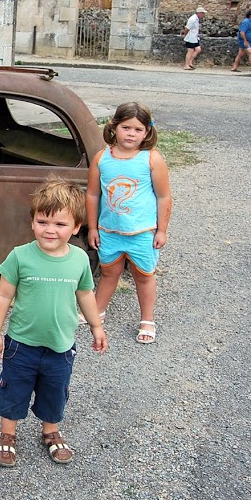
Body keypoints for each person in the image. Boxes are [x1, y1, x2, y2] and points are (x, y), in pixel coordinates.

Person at [0, 177, 108, 468]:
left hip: (61, 346)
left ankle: (51, 431)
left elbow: (85, 294)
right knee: (14, 388)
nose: (50, 230)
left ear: (76, 227)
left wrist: (96, 326)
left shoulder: (79, 259)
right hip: (21, 345)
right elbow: (3, 295)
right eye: (42, 221)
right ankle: (7, 433)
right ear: (32, 223)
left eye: (60, 224)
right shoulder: (20, 256)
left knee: (55, 390)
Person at [86, 102, 172, 345]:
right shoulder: (102, 158)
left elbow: (164, 196)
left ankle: (147, 319)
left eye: (137, 129)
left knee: (143, 275)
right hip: (109, 231)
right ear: (114, 127)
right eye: (126, 127)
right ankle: (98, 310)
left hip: (142, 232)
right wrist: (92, 227)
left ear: (147, 132)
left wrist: (162, 230)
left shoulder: (152, 159)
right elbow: (92, 194)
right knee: (108, 272)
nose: (131, 134)